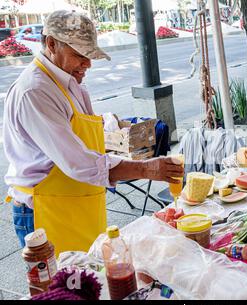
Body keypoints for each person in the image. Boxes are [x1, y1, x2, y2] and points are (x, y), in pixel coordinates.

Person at [3, 10, 184, 256]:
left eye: (89, 55)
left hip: (76, 202)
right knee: (60, 290)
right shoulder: (35, 91)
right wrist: (148, 169)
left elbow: (83, 128)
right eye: (79, 55)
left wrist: (112, 124)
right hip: (45, 210)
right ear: (51, 44)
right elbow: (78, 162)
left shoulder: (67, 80)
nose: (87, 64)